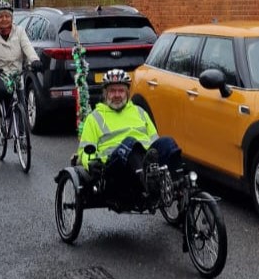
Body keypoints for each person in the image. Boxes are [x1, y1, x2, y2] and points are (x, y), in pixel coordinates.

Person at [77, 69, 182, 202]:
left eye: (120, 91)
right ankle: (148, 185)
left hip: (145, 160)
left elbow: (154, 141)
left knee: (167, 142)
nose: (116, 95)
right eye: (112, 91)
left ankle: (179, 184)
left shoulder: (139, 112)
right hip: (116, 168)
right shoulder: (94, 118)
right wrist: (90, 163)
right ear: (105, 94)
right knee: (131, 143)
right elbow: (85, 150)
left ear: (127, 93)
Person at [0, 1, 41, 127]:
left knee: (21, 104)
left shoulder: (19, 31)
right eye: (0, 16)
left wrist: (34, 60)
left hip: (15, 73)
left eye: (7, 16)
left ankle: (22, 140)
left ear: (12, 17)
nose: (4, 19)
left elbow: (28, 47)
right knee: (1, 90)